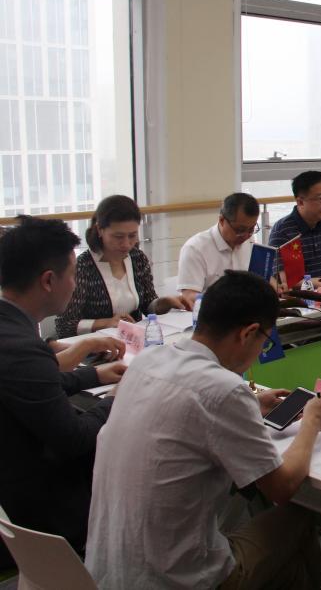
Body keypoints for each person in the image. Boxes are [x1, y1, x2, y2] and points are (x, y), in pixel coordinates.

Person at [85, 271, 321, 589]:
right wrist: (312, 422)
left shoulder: (149, 360)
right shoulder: (225, 389)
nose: (260, 352)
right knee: (297, 517)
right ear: (248, 333)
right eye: (264, 342)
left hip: (105, 572)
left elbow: (185, 411)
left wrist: (252, 405)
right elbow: (282, 487)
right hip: (175, 582)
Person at [0, 216, 126, 567]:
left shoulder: (11, 330)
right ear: (48, 281)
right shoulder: (22, 348)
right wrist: (116, 398)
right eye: (71, 275)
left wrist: (94, 375)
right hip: (39, 511)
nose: (74, 285)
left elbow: (34, 383)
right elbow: (75, 439)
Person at [55, 195, 188, 338]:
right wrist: (106, 323)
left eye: (132, 235)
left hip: (134, 340)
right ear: (100, 230)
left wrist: (165, 303)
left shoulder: (137, 258)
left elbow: (148, 305)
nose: (126, 244)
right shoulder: (83, 267)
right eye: (118, 237)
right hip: (96, 344)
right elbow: (65, 326)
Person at [177, 192, 260, 308]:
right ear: (222, 220)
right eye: (240, 230)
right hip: (211, 314)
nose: (246, 235)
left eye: (251, 229)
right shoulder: (195, 249)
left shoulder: (249, 241)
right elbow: (188, 297)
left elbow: (259, 278)